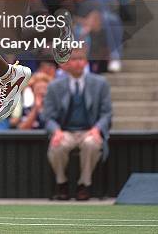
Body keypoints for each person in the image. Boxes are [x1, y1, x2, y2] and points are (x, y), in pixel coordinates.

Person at [44, 47, 112, 201]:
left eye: (81, 59)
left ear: (86, 62)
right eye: (74, 59)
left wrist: (97, 129)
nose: (78, 63)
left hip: (89, 130)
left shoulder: (100, 84)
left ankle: (84, 185)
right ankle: (62, 183)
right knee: (57, 145)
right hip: (66, 131)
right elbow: (48, 117)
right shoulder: (54, 86)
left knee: (92, 143)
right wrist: (56, 131)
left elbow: (107, 113)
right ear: (66, 63)